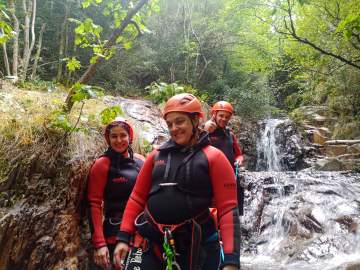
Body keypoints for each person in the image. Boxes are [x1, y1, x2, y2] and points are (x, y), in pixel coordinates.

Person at [113, 93, 240, 270]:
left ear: (196, 120)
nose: (174, 128)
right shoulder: (156, 156)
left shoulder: (214, 157)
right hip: (153, 243)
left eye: (179, 121)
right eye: (170, 124)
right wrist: (123, 237)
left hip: (197, 246)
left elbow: (228, 210)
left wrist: (231, 260)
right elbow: (137, 198)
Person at [87, 117, 145, 269]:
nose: (119, 140)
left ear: (130, 137)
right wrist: (99, 244)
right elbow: (94, 204)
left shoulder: (140, 161)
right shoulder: (102, 164)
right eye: (114, 136)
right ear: (108, 138)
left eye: (123, 135)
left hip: (139, 230)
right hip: (113, 231)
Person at [204, 101, 245, 215]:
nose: (224, 119)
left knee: (232, 205)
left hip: (230, 176)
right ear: (214, 115)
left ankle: (232, 224)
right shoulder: (205, 132)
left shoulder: (230, 134)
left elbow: (238, 154)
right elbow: (193, 148)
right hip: (210, 177)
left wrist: (239, 160)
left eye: (227, 117)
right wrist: (205, 131)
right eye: (221, 115)